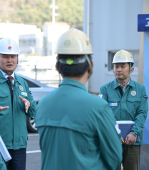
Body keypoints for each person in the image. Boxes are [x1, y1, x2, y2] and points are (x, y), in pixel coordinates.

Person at [35, 28, 122, 170]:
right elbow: (115, 157)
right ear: (90, 67)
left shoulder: (43, 104)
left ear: (58, 67)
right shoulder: (98, 107)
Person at [0, 37, 36, 170]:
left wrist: (30, 105)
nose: (10, 60)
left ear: (17, 59)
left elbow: (34, 111)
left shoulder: (22, 83)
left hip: (20, 146)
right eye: (5, 56)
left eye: (13, 56)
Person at [99, 50, 148, 170]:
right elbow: (103, 114)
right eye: (116, 66)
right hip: (111, 141)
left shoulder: (140, 89)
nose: (118, 69)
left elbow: (142, 113)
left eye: (122, 66)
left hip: (133, 142)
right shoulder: (105, 89)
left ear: (131, 69)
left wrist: (134, 133)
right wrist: (114, 133)